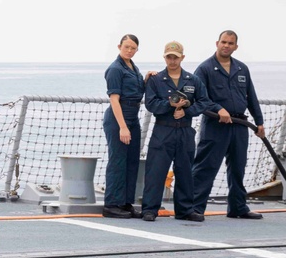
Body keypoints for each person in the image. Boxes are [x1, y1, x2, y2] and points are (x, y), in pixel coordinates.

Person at [191, 30, 266, 219]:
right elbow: (198, 98)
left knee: (238, 166)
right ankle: (194, 208)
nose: (226, 45)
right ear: (217, 43)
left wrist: (259, 122)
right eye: (223, 42)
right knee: (206, 166)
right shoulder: (205, 69)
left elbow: (252, 97)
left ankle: (238, 208)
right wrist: (218, 109)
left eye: (230, 43)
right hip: (216, 126)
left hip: (240, 125)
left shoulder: (242, 69)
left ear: (236, 47)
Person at [140, 42, 209, 222]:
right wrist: (169, 105)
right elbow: (151, 104)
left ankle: (185, 210)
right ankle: (149, 209)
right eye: (169, 57)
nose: (172, 60)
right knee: (156, 171)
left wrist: (187, 110)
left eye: (175, 57)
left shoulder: (193, 80)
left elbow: (204, 102)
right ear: (164, 57)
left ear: (182, 58)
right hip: (163, 129)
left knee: (185, 171)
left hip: (185, 130)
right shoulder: (156, 80)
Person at [102, 34, 147, 219]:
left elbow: (136, 92)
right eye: (126, 47)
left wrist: (146, 80)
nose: (129, 50)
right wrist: (122, 127)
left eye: (133, 48)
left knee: (132, 161)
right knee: (118, 161)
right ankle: (111, 204)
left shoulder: (133, 68)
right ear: (119, 46)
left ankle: (126, 203)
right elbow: (114, 99)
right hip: (118, 118)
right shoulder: (115, 69)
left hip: (133, 116)